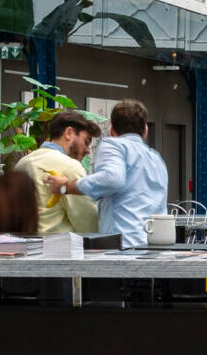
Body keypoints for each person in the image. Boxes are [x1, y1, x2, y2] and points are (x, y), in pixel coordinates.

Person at [47, 100, 166, 248]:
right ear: (145, 131)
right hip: (152, 246)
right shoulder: (156, 158)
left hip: (123, 245)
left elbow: (112, 179)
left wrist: (66, 187)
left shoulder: (114, 145)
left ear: (111, 130)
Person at [15, 110, 99, 235]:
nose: (87, 151)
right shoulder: (70, 166)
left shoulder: (22, 163)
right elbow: (87, 223)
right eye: (86, 142)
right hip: (58, 248)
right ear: (69, 133)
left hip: (24, 245)